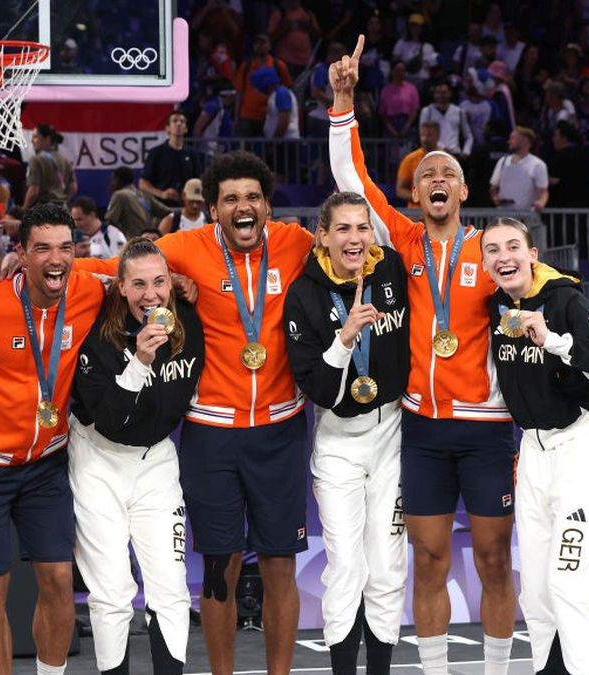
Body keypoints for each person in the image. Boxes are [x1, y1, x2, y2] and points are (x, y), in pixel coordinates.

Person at [74, 149, 316, 674]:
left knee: (280, 566)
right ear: (212, 209)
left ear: (268, 207)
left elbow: (355, 247)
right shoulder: (184, 248)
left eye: (252, 197)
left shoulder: (298, 244)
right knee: (218, 569)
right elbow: (121, 269)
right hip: (212, 433)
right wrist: (45, 265)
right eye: (230, 199)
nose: (242, 206)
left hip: (282, 429)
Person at [330, 38, 517, 675]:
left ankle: (496, 668)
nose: (437, 181)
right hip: (425, 429)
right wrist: (344, 103)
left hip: (487, 429)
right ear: (416, 194)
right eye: (427, 176)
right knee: (430, 558)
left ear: (465, 191)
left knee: (494, 560)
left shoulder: (494, 251)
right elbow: (353, 180)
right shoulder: (403, 241)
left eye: (448, 175)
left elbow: (540, 291)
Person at [0, 203, 106, 675]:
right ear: (21, 254)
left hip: (47, 463)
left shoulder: (88, 290)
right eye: (42, 248)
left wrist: (177, 279)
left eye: (66, 247)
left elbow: (143, 264)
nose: (56, 258)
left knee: (60, 580)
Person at [481, 216, 589, 675]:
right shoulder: (496, 308)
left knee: (572, 586)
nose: (503, 256)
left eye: (512, 246)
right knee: (538, 594)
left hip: (582, 450)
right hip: (534, 453)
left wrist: (556, 341)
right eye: (492, 250)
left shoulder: (564, 300)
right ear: (485, 263)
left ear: (532, 255)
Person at [283, 191, 410, 674]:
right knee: (345, 567)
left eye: (362, 228)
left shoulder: (393, 271)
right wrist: (344, 339)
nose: (355, 238)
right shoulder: (304, 294)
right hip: (337, 441)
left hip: (393, 433)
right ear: (323, 235)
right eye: (343, 229)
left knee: (387, 565)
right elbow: (315, 386)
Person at [70, 237, 205, 674]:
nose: (152, 294)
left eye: (160, 282)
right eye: (140, 284)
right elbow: (109, 419)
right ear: (121, 288)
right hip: (98, 460)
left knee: (170, 588)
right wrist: (141, 361)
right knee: (111, 592)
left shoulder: (187, 321)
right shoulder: (98, 333)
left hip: (157, 461)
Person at [234, 33, 293, 138]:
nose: (260, 46)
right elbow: (239, 92)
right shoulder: (246, 66)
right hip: (248, 115)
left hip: (270, 115)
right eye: (256, 43)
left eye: (263, 43)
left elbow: (288, 88)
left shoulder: (278, 65)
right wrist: (236, 117)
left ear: (269, 46)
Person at [140, 111, 201, 208]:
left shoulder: (192, 154)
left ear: (186, 129)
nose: (178, 124)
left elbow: (198, 181)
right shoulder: (156, 153)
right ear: (167, 128)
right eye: (175, 121)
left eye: (182, 121)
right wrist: (162, 194)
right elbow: (143, 183)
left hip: (185, 207)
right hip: (161, 207)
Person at [490, 126, 549, 211]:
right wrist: (495, 198)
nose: (509, 141)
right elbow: (493, 188)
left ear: (524, 140)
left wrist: (541, 203)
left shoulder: (538, 164)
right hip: (504, 216)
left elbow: (543, 192)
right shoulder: (503, 161)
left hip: (527, 217)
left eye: (513, 138)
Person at [105, 167, 170, 239]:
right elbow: (168, 213)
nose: (111, 184)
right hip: (149, 242)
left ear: (118, 180)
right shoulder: (144, 194)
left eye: (113, 179)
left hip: (132, 243)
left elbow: (110, 221)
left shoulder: (119, 195)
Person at [24, 124, 77, 208]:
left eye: (35, 137)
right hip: (63, 209)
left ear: (47, 139)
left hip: (43, 210)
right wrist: (62, 200)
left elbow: (33, 192)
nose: (32, 140)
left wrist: (24, 210)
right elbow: (73, 188)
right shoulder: (64, 160)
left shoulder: (36, 160)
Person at [420, 83, 473, 159]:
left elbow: (468, 136)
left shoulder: (459, 111)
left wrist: (466, 151)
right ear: (434, 94)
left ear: (450, 93)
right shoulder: (427, 111)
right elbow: (422, 135)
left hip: (455, 154)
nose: (441, 95)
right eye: (438, 93)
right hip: (435, 154)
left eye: (444, 93)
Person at [396, 121, 441, 207]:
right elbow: (400, 191)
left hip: (441, 215)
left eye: (429, 135)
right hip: (416, 215)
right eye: (422, 135)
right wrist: (422, 198)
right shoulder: (410, 159)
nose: (425, 139)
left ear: (438, 136)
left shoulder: (448, 159)